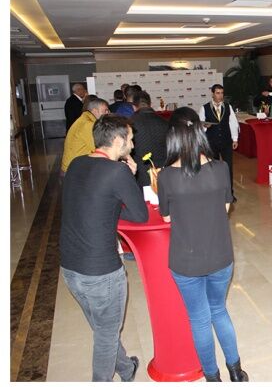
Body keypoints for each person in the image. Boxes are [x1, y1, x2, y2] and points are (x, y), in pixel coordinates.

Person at [157, 107, 248, 382]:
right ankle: (236, 371)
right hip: (220, 256)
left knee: (199, 319)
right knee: (219, 310)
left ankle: (212, 377)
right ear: (200, 131)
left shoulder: (166, 176)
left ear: (172, 136)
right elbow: (225, 208)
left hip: (186, 261)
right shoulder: (220, 168)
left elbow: (167, 217)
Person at [60, 114, 148, 381]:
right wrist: (130, 175)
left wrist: (110, 202)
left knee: (103, 330)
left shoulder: (77, 163)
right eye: (130, 139)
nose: (132, 145)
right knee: (107, 335)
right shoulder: (118, 171)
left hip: (69, 267)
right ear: (118, 141)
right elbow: (140, 214)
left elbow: (89, 202)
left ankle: (126, 368)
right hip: (101, 272)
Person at [198, 84, 239, 200]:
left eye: (222, 93)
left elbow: (233, 123)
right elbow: (200, 126)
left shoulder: (228, 107)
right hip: (211, 142)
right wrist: (205, 126)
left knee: (228, 168)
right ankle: (215, 193)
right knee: (213, 168)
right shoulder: (204, 108)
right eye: (217, 93)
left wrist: (235, 139)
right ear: (212, 94)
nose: (220, 96)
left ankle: (229, 193)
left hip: (226, 142)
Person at [61, 97, 110, 173]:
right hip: (74, 170)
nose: (108, 113)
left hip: (73, 166)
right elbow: (100, 149)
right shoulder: (88, 125)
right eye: (105, 111)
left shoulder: (84, 119)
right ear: (95, 111)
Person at [130, 90, 169, 187]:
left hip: (140, 177)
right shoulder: (165, 122)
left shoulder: (129, 124)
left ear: (133, 107)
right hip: (164, 174)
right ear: (150, 104)